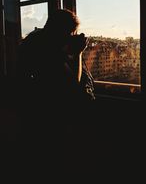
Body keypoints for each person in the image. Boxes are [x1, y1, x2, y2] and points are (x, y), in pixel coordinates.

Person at [16, 9, 94, 177]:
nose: (70, 37)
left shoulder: (33, 40)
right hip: (49, 117)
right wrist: (78, 53)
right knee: (54, 165)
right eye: (69, 33)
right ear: (61, 31)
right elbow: (73, 84)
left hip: (30, 113)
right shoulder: (49, 50)